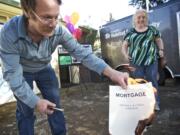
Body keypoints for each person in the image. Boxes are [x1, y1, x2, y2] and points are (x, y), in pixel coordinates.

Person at [0, 0, 129, 135]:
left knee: (55, 106)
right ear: (28, 12)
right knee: (25, 110)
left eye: (56, 17)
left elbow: (83, 54)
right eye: (47, 17)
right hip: (21, 72)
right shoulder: (8, 33)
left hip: (44, 68)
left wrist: (113, 73)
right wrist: (36, 101)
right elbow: (13, 77)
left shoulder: (59, 31)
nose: (54, 24)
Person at [122, 9, 165, 111]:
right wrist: (125, 54)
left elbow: (159, 40)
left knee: (152, 81)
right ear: (135, 19)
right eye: (139, 17)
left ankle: (155, 103)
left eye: (143, 17)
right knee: (138, 83)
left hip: (151, 60)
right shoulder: (130, 32)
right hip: (135, 62)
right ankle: (141, 104)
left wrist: (161, 50)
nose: (141, 19)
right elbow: (124, 45)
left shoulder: (152, 30)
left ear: (146, 19)